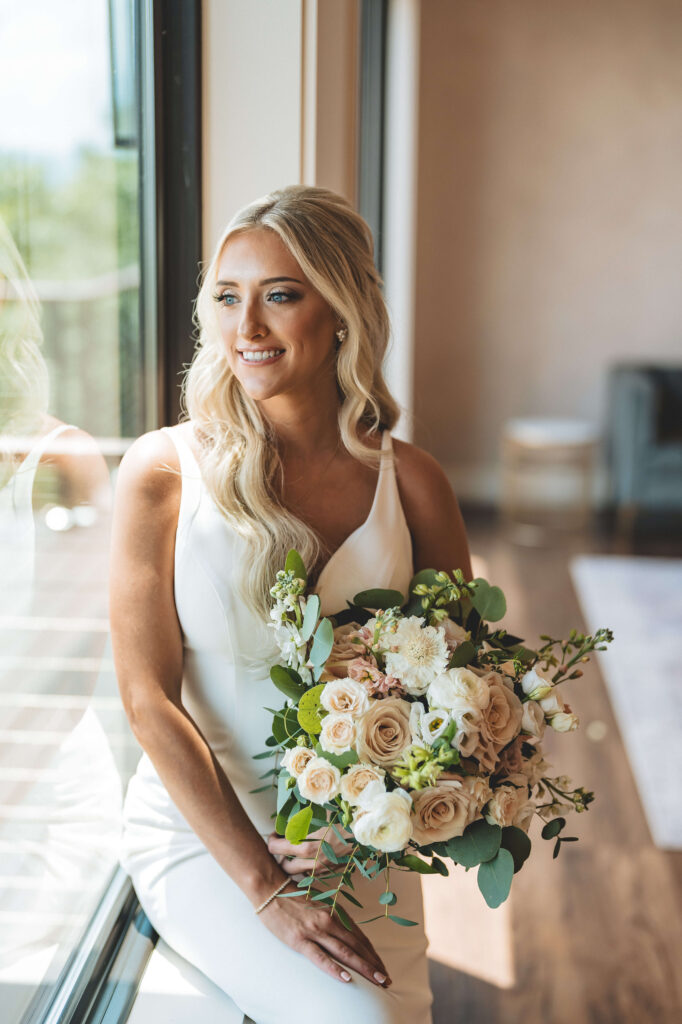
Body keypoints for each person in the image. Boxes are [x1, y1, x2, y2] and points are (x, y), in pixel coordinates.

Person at [112, 185, 472, 1023]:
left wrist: (370, 827)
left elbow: (460, 681)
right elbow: (147, 701)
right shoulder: (163, 472)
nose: (249, 329)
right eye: (228, 299)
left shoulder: (413, 482)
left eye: (280, 295)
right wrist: (266, 887)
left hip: (358, 837)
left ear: (341, 310)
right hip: (209, 836)